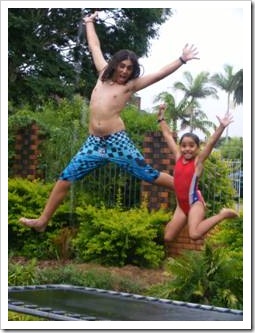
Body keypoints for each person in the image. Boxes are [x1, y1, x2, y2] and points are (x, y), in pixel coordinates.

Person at [20, 11, 199, 232]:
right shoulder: (102, 73)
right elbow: (95, 46)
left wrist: (181, 60)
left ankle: (189, 189)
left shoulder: (129, 86)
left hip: (117, 141)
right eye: (122, 66)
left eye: (129, 69)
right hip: (94, 142)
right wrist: (88, 23)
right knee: (66, 177)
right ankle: (42, 221)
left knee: (148, 174)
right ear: (114, 65)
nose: (125, 71)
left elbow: (159, 74)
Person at [157, 104, 239, 243]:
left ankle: (222, 215)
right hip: (181, 206)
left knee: (194, 234)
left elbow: (211, 143)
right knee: (168, 237)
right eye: (184, 145)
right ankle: (187, 220)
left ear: (197, 148)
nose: (187, 149)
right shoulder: (178, 157)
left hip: (195, 203)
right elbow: (167, 135)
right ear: (180, 146)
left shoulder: (197, 162)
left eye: (191, 145)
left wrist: (221, 127)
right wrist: (161, 118)